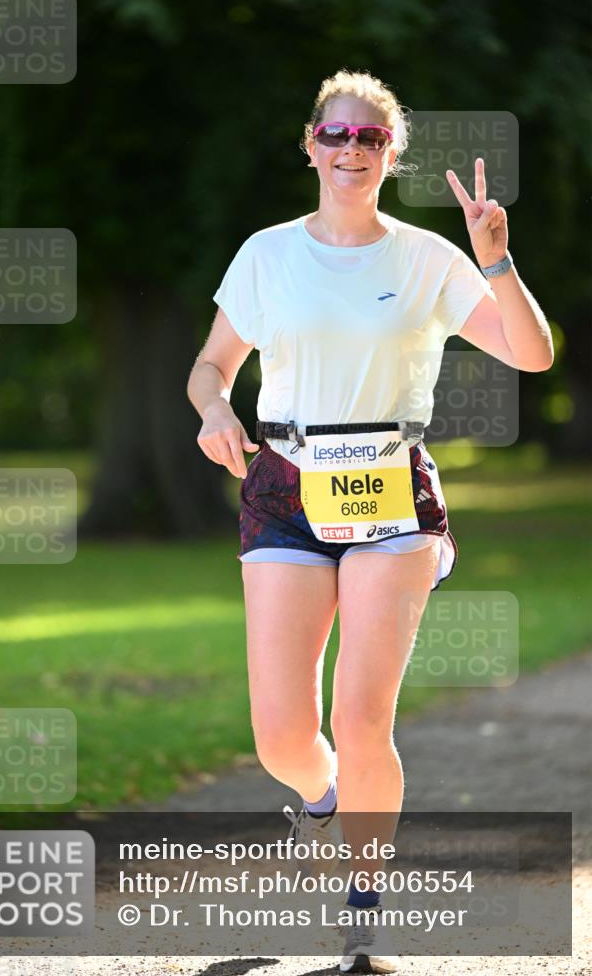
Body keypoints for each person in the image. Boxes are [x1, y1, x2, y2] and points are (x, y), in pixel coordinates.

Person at [187, 68, 553, 974]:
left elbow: (532, 353)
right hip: (285, 484)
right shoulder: (266, 253)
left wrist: (495, 258)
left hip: (390, 490)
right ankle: (321, 800)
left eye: (370, 139)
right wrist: (215, 410)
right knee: (280, 734)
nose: (351, 150)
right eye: (336, 135)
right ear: (309, 143)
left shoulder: (428, 257)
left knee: (360, 714)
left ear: (391, 156)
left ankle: (364, 913)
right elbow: (209, 364)